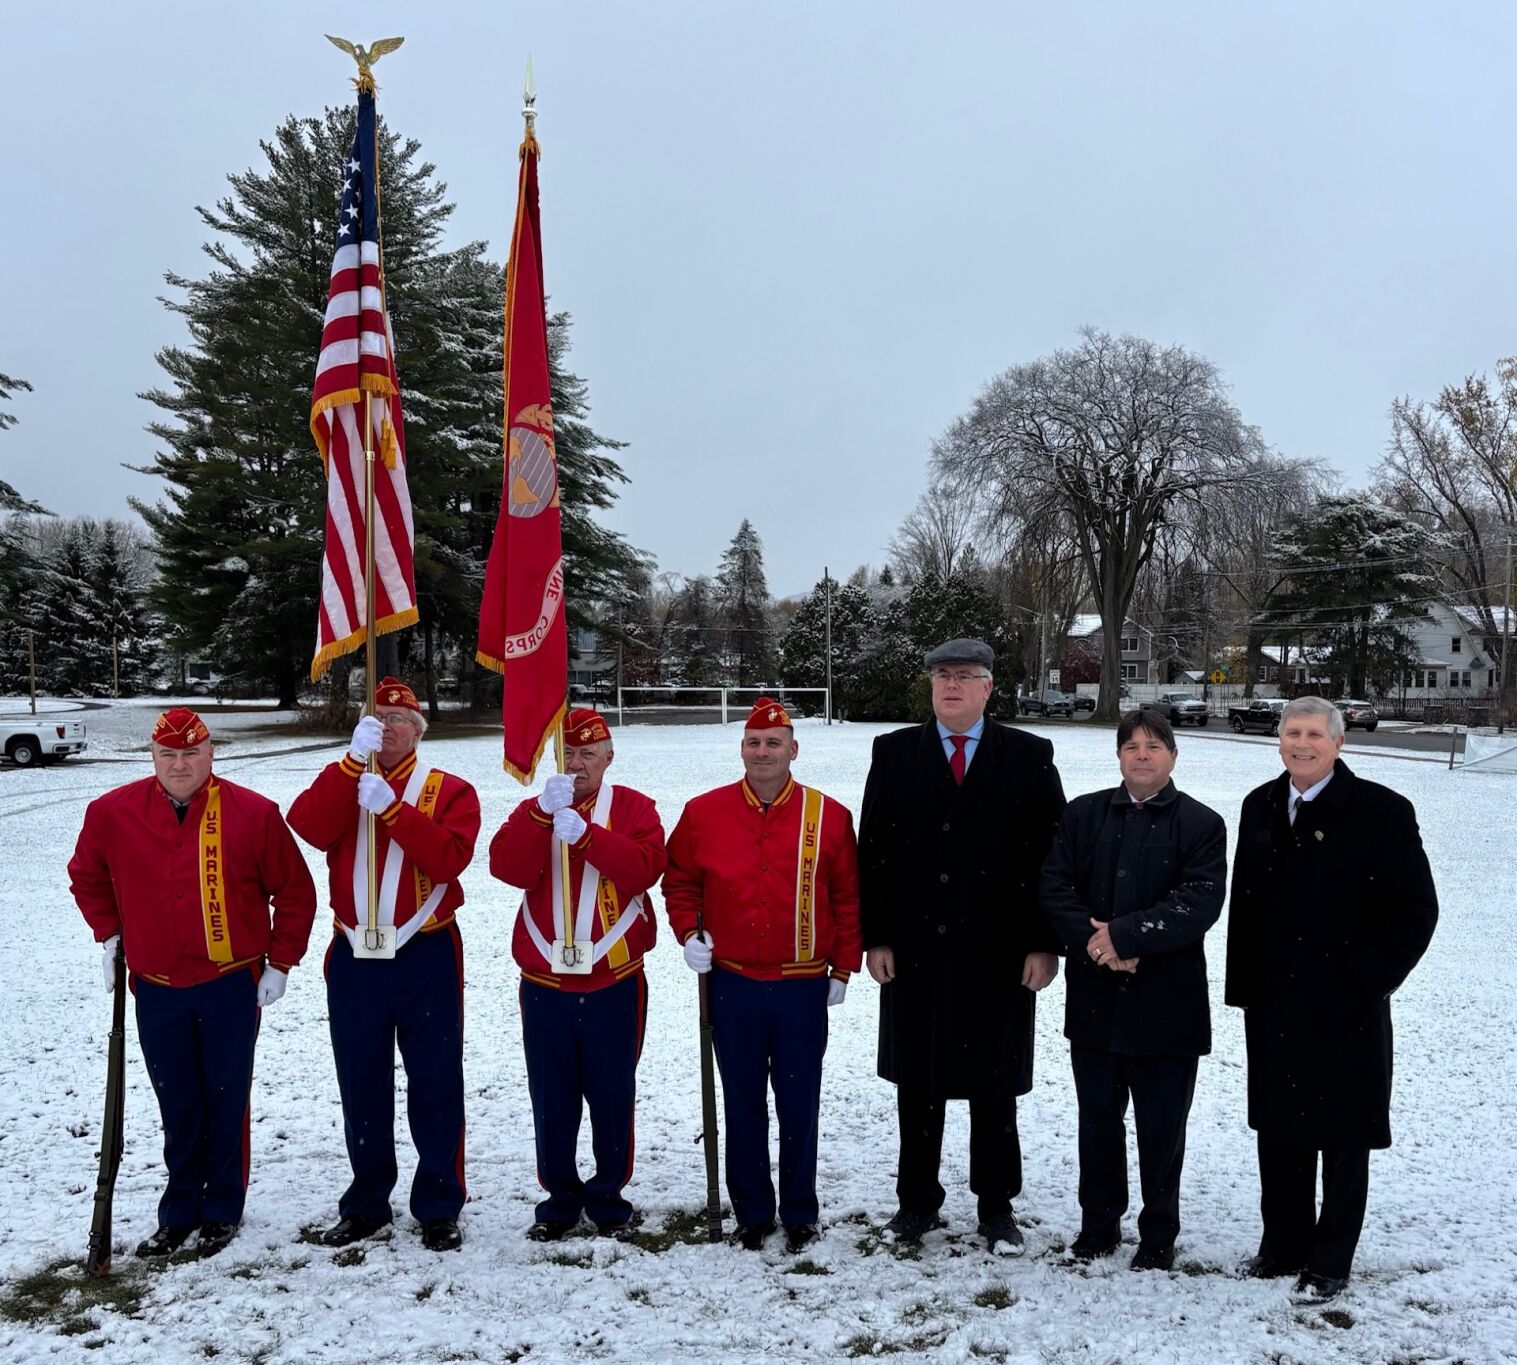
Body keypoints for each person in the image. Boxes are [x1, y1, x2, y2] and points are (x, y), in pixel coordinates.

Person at [68, 707, 316, 1259]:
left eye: (190, 754)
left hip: (229, 982)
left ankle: (223, 1208)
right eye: (168, 755)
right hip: (155, 985)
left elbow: (295, 892)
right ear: (152, 757)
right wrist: (109, 937)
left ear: (211, 754)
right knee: (177, 1100)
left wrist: (281, 962)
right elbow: (85, 875)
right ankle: (179, 1210)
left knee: (226, 1097)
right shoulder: (111, 813)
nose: (179, 765)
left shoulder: (253, 813)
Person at [1226, 695, 1438, 1301]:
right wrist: (1246, 986)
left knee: (1344, 1137)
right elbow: (1247, 903)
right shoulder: (1260, 805)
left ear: (1338, 742)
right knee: (1280, 1129)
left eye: (1315, 734)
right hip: (1275, 1001)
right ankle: (1282, 1243)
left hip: (1347, 1004)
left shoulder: (1382, 811)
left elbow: (1416, 910)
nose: (1302, 744)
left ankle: (1330, 1257)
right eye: (1292, 732)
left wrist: (1365, 977)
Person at [859, 638, 1065, 1254]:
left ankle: (997, 1207)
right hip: (915, 950)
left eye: (965, 675)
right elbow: (875, 854)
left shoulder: (1029, 755)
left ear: (988, 687)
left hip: (998, 953)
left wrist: (1043, 943)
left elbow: (1049, 858)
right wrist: (877, 938)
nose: (952, 685)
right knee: (918, 1085)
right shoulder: (894, 753)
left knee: (993, 1085)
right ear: (930, 686)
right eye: (942, 675)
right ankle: (916, 1203)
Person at [288, 677, 481, 1253]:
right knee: (362, 1081)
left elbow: (449, 859)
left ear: (418, 732)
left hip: (426, 951)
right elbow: (309, 826)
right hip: (354, 956)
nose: (389, 727)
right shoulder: (349, 778)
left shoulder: (449, 789)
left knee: (435, 1080)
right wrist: (348, 766)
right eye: (379, 717)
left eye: (401, 720)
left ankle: (439, 1201)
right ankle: (367, 1202)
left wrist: (394, 811)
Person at [663, 696, 861, 1253]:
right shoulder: (704, 813)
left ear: (793, 751)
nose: (763, 751)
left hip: (802, 985)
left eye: (774, 743)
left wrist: (843, 967)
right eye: (753, 742)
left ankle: (800, 1211)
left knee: (800, 1101)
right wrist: (688, 933)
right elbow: (680, 882)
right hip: (733, 984)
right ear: (741, 750)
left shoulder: (830, 815)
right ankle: (751, 1210)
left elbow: (847, 897)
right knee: (742, 1100)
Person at [1039, 709, 1227, 1271]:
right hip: (1096, 1001)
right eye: (1131, 746)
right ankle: (1098, 1225)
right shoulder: (1083, 815)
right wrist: (1096, 945)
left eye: (1154, 745)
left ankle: (1158, 1234)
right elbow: (1054, 885)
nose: (1142, 755)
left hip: (1168, 1005)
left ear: (1173, 755)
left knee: (1161, 1128)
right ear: (1118, 755)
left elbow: (1199, 901)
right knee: (1097, 1120)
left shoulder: (1201, 824)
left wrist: (1123, 936)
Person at [489, 707, 666, 1242]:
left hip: (615, 981)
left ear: (609, 757)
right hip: (546, 985)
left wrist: (588, 836)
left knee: (613, 1092)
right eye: (569, 753)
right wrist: (542, 815)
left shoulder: (634, 808)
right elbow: (507, 868)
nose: (579, 763)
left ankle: (609, 1196)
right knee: (552, 1094)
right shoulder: (536, 809)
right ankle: (560, 1197)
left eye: (590, 753)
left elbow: (644, 869)